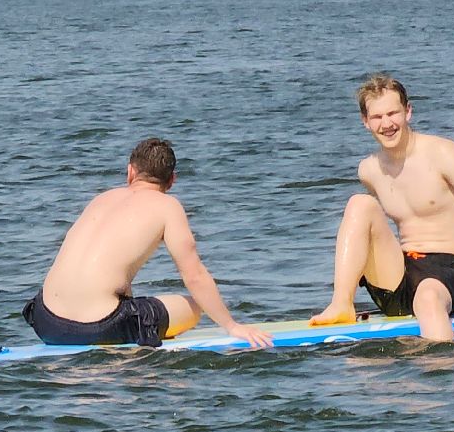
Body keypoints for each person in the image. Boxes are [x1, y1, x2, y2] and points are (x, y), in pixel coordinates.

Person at [309, 74, 454, 342]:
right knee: (359, 204)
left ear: (408, 112)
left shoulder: (443, 153)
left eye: (393, 113)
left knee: (428, 297)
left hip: (450, 273)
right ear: (365, 122)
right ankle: (341, 303)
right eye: (377, 117)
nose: (387, 124)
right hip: (403, 272)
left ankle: (442, 372)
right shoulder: (369, 169)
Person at [24, 137, 272, 350]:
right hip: (99, 328)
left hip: (45, 322)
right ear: (171, 180)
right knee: (195, 307)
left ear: (130, 171)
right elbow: (194, 275)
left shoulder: (101, 198)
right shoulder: (168, 206)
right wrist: (231, 325)